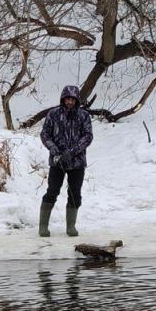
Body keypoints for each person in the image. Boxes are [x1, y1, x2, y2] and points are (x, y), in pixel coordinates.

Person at [39, 85, 93, 237]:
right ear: (63, 99)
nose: (70, 101)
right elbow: (44, 134)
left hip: (77, 162)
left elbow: (88, 136)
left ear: (77, 100)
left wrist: (72, 152)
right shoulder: (53, 114)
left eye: (73, 99)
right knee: (52, 191)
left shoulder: (83, 115)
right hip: (57, 162)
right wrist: (53, 149)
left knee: (75, 193)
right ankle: (43, 226)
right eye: (67, 99)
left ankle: (71, 226)